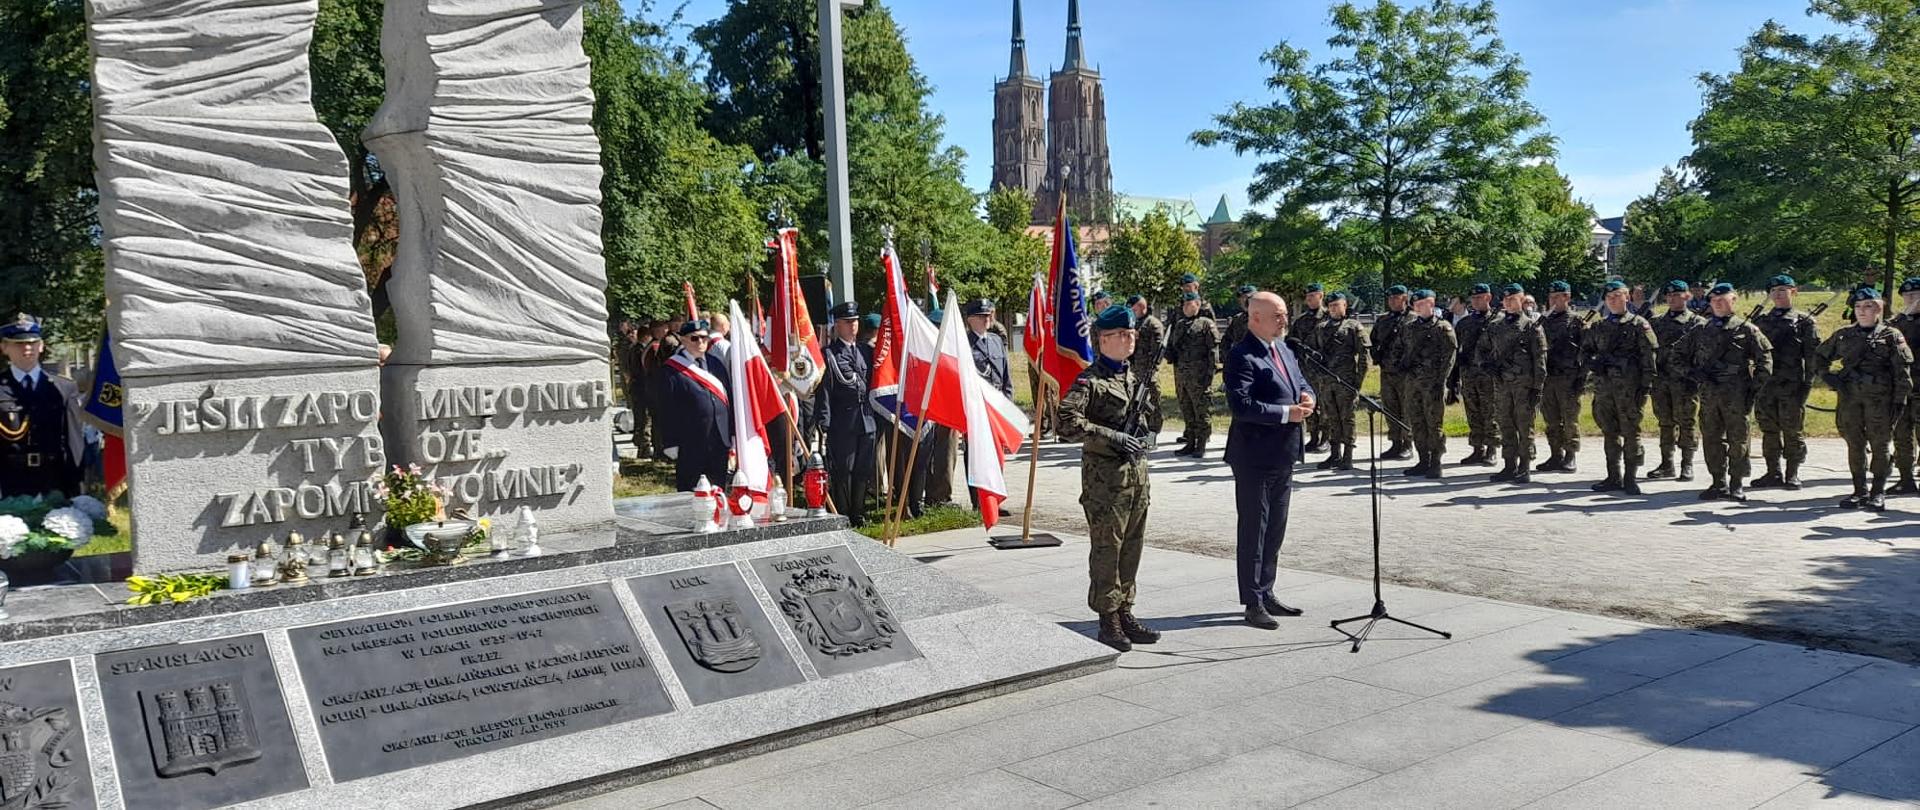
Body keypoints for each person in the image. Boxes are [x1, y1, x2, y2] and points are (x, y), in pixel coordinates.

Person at [1057, 304, 1161, 652]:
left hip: (1136, 478)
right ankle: (1108, 618)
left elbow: (1151, 424)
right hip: (1105, 483)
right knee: (1107, 550)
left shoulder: (1134, 379)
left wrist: (1147, 437)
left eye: (1132, 333)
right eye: (1123, 334)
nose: (1130, 339)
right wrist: (1112, 436)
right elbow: (1067, 422)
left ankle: (1126, 609)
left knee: (1132, 546)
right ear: (1103, 339)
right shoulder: (1091, 380)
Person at [1223, 292, 1315, 629]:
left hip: (1284, 454)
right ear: (1255, 317)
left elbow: (1300, 381)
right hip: (1254, 456)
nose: (1284, 320)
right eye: (1277, 315)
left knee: (1275, 528)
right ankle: (1252, 601)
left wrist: (1307, 396)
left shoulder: (1285, 349)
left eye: (1285, 314)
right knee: (1254, 530)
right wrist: (1285, 413)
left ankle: (1267, 590)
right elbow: (1241, 405)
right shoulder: (1241, 355)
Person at [1815, 288, 1913, 511]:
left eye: (1867, 306)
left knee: (1880, 445)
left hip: (1880, 401)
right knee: (1855, 444)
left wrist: (1899, 402)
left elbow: (1902, 373)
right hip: (1850, 399)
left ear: (1879, 309)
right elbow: (1819, 356)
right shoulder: (1843, 335)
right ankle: (1859, 490)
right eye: (1858, 307)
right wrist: (1829, 377)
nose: (1861, 311)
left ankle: (1878, 492)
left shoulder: (1891, 336)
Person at [1677, 283, 1772, 501]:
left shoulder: (1747, 330)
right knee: (1711, 439)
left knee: (1738, 440)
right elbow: (1676, 356)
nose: (1718, 304)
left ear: (1733, 300)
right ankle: (1718, 482)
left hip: (1737, 396)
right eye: (1714, 301)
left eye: (1723, 300)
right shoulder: (1700, 330)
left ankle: (1737, 483)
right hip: (1709, 395)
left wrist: (1754, 388)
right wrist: (1694, 375)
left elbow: (1765, 361)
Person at [1581, 281, 1658, 495]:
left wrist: (1645, 388)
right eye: (1609, 297)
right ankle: (1613, 476)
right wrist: (1593, 363)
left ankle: (1630, 477)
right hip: (1604, 389)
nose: (1613, 300)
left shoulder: (1638, 324)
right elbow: (1584, 352)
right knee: (1609, 433)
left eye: (1617, 296)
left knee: (1631, 432)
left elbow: (1649, 358)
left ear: (1627, 297)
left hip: (1630, 390)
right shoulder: (1598, 327)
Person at [0, 314, 85, 498]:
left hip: (55, 479)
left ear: (41, 345)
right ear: (4, 347)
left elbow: (74, 441)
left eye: (32, 342)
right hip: (9, 481)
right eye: (18, 344)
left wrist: (77, 485)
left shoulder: (63, 387)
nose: (27, 348)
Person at [1750, 275, 1821, 490]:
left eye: (1783, 289)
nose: (1778, 294)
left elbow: (1812, 357)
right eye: (1774, 290)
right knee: (1769, 430)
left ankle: (1793, 474)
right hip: (1766, 386)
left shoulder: (1804, 321)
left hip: (1792, 386)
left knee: (1792, 430)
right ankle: (1773, 472)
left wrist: (1807, 385)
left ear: (1794, 291)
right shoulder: (1760, 322)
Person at [1474, 283, 1547, 483]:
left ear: (1522, 301)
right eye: (1506, 299)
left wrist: (1538, 388)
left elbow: (1540, 360)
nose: (1509, 302)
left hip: (1525, 385)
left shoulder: (1531, 327)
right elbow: (1480, 348)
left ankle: (1524, 466)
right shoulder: (1495, 326)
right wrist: (1485, 365)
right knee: (1505, 424)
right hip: (1501, 384)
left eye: (1513, 299)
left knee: (1524, 426)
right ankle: (1509, 465)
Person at [818, 303, 878, 524]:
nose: (853, 326)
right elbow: (824, 390)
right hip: (843, 421)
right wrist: (824, 420)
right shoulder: (830, 354)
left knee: (863, 469)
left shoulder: (865, 351)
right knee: (844, 470)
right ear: (838, 325)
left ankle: (858, 512)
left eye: (855, 321)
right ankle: (843, 513)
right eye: (847, 322)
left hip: (867, 420)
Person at [659, 319, 730, 492]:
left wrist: (733, 434)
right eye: (694, 338)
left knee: (718, 489)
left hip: (719, 439)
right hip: (690, 441)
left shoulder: (715, 364)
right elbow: (664, 408)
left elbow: (729, 399)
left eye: (704, 338)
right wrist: (670, 442)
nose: (700, 343)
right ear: (683, 340)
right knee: (691, 491)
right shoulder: (671, 369)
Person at [1391, 290, 1456, 478]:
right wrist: (1399, 365)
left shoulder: (1443, 327)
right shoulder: (1409, 327)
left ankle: (1436, 461)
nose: (1417, 306)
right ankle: (1422, 460)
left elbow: (1449, 357)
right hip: (1412, 383)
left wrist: (1441, 381)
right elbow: (1398, 348)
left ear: (1431, 303)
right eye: (1416, 304)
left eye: (1422, 303)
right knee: (1416, 421)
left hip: (1433, 384)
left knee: (1434, 423)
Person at [1647, 280, 1707, 482]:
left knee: (1687, 423)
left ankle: (1687, 464)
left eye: (1678, 295)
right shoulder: (1656, 322)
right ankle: (1667, 463)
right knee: (1664, 422)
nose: (1673, 298)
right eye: (1670, 295)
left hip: (1685, 382)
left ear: (1687, 296)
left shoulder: (1697, 323)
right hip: (1662, 381)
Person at [1311, 292, 1369, 471]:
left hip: (1346, 381)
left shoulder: (1353, 327)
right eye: (1331, 306)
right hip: (1326, 381)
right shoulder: (1321, 328)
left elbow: (1364, 357)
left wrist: (1357, 382)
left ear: (1345, 305)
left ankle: (1348, 455)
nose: (1334, 308)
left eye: (1338, 305)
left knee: (1347, 418)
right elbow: (1311, 351)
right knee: (1331, 417)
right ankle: (1334, 453)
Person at [1537, 281, 1587, 473]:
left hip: (1568, 378)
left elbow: (1586, 351)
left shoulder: (1576, 321)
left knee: (1569, 419)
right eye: (1551, 297)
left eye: (1558, 296)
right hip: (1548, 378)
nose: (1554, 300)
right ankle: (1555, 454)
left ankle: (1570, 454)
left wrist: (1581, 379)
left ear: (1567, 297)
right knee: (1551, 419)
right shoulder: (1544, 322)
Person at [1451, 283, 1500, 466]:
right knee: (1473, 412)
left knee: (1490, 412)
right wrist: (1454, 377)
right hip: (1469, 374)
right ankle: (1477, 449)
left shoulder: (1498, 320)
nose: (1475, 301)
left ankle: (1492, 449)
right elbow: (1456, 350)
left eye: (1479, 297)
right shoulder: (1465, 323)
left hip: (1489, 376)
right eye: (1473, 298)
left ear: (1488, 298)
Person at [1166, 292, 1219, 457]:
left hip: (1200, 376)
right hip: (1182, 375)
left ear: (1198, 305)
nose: (1187, 308)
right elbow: (1173, 347)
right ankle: (1190, 442)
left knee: (1201, 411)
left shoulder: (1206, 324)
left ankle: (1201, 444)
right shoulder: (1180, 324)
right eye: (1184, 305)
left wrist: (1210, 375)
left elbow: (1213, 352)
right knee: (1187, 409)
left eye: (1190, 304)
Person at [1372, 285, 1413, 460]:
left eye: (1395, 298)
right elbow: (1373, 340)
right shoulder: (1383, 320)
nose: (1391, 301)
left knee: (1406, 409)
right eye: (1390, 298)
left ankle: (1407, 444)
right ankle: (1395, 442)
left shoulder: (1413, 319)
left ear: (1405, 299)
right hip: (1387, 371)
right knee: (1390, 407)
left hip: (1406, 373)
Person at [1890, 278, 1920, 495]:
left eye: (1917, 294)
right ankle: (1905, 478)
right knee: (1902, 433)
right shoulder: (1894, 324)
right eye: (1908, 295)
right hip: (1901, 387)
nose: (1912, 299)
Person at [1294, 283, 1328, 456]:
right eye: (1307, 297)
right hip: (1306, 370)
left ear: (1321, 296)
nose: (1308, 299)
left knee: (1325, 404)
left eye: (1312, 296)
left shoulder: (1329, 317)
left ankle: (1326, 438)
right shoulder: (1301, 320)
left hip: (1325, 370)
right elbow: (1292, 343)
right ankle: (1314, 436)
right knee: (1310, 403)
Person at [1128, 295, 1166, 436]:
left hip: (1148, 370)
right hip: (1134, 370)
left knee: (1152, 401)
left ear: (1143, 307)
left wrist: (1151, 369)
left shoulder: (1153, 324)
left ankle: (1154, 430)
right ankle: (1140, 429)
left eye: (1134, 307)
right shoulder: (1133, 323)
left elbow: (1157, 350)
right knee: (1136, 402)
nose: (1132, 310)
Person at [642, 319, 680, 461]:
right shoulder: (654, 347)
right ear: (656, 331)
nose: (666, 330)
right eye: (664, 328)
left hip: (655, 388)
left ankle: (660, 450)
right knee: (659, 421)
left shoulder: (655, 345)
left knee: (659, 421)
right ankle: (660, 451)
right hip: (656, 389)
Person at [615, 319, 651, 458]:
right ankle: (643, 447)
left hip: (637, 388)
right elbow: (630, 370)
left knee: (641, 419)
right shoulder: (636, 350)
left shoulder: (633, 348)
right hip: (640, 389)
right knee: (643, 419)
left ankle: (641, 444)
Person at [1223, 285, 1256, 349]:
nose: (1244, 300)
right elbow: (1226, 340)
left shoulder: (1265, 318)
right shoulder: (1237, 319)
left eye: (1247, 297)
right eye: (1241, 297)